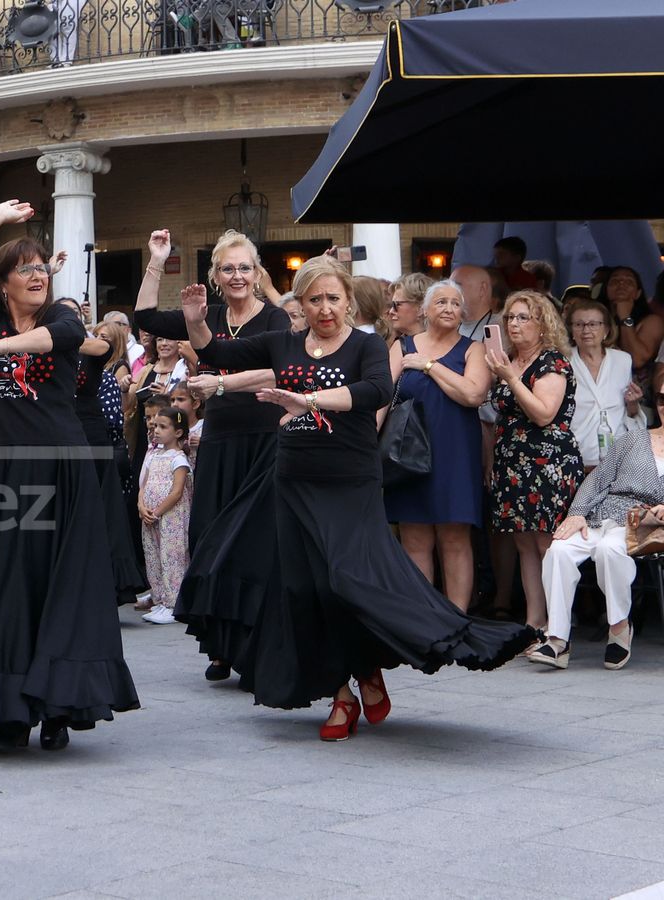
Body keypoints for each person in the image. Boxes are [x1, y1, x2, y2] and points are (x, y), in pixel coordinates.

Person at [184, 256, 535, 740]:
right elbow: (221, 353)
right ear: (301, 305)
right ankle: (341, 694)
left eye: (333, 298)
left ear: (348, 300)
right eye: (314, 300)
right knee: (304, 588)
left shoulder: (369, 345)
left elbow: (373, 391)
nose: (325, 308)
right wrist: (197, 321)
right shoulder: (284, 343)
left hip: (350, 480)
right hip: (294, 479)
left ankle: (368, 665)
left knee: (345, 581)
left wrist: (308, 400)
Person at [0, 200, 137, 752]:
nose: (37, 273)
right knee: (8, 586)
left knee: (64, 586)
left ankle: (59, 704)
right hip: (11, 474)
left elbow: (57, 341)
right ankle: (9, 705)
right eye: (25, 267)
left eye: (42, 265)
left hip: (64, 470)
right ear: (4, 282)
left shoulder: (61, 316)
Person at [135, 228, 291, 682]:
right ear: (216, 276)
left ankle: (255, 648)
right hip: (221, 441)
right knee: (212, 539)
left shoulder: (274, 318)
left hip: (263, 440)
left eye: (245, 267)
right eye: (228, 268)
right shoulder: (206, 315)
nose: (237, 275)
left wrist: (222, 383)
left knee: (256, 546)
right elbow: (144, 314)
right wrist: (158, 259)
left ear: (257, 272)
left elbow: (277, 370)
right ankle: (221, 647)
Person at [383, 279, 491, 612]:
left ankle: (456, 618)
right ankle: (423, 618)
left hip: (455, 453)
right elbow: (382, 398)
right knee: (414, 537)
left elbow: (473, 394)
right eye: (441, 302)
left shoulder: (474, 349)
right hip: (407, 453)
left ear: (463, 314)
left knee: (454, 537)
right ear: (425, 310)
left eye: (455, 304)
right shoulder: (402, 346)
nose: (448, 308)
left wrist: (429, 366)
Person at [536, 407, 664, 670]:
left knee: (610, 549)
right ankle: (557, 639)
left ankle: (618, 626)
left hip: (647, 522)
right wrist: (577, 513)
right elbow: (597, 479)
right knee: (559, 549)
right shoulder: (634, 439)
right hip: (602, 513)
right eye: (662, 397)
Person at [485, 290, 582, 635]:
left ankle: (557, 627)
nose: (514, 323)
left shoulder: (552, 361)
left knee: (546, 543)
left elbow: (543, 414)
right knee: (524, 542)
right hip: (512, 462)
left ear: (543, 324)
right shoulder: (508, 360)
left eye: (523, 317)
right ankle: (533, 622)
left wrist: (510, 378)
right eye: (510, 317)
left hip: (547, 462)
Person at [60, 297, 143, 606]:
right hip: (59, 432)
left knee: (101, 510)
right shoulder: (46, 348)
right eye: (61, 313)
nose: (66, 318)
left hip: (91, 434)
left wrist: (66, 336)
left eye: (73, 314)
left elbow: (102, 348)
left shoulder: (90, 347)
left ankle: (108, 588)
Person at [564, 299, 645, 472]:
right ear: (571, 330)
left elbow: (629, 413)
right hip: (576, 460)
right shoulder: (562, 362)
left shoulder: (622, 360)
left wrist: (633, 403)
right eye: (579, 324)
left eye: (594, 324)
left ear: (606, 330)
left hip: (618, 462)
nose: (586, 330)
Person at [139, 407, 192, 624]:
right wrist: (142, 506)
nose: (156, 430)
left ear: (178, 432)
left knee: (172, 558)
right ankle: (160, 600)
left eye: (163, 426)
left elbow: (177, 491)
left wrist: (158, 511)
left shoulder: (178, 459)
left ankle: (174, 603)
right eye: (154, 426)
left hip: (170, 517)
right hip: (150, 517)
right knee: (153, 557)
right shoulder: (154, 455)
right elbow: (144, 485)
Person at [386, 273, 432, 343]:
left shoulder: (442, 345)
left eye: (396, 304)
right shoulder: (394, 343)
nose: (391, 311)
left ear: (421, 308)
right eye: (391, 305)